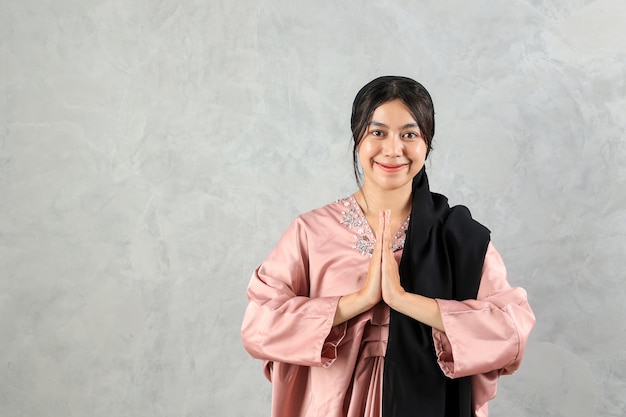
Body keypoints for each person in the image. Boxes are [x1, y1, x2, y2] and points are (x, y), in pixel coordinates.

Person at [241, 76, 535, 417]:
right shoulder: (310, 232)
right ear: (358, 138)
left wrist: (405, 301)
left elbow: (511, 329)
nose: (393, 149)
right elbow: (258, 326)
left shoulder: (458, 236)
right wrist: (358, 302)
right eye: (377, 132)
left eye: (409, 134)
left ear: (427, 143)